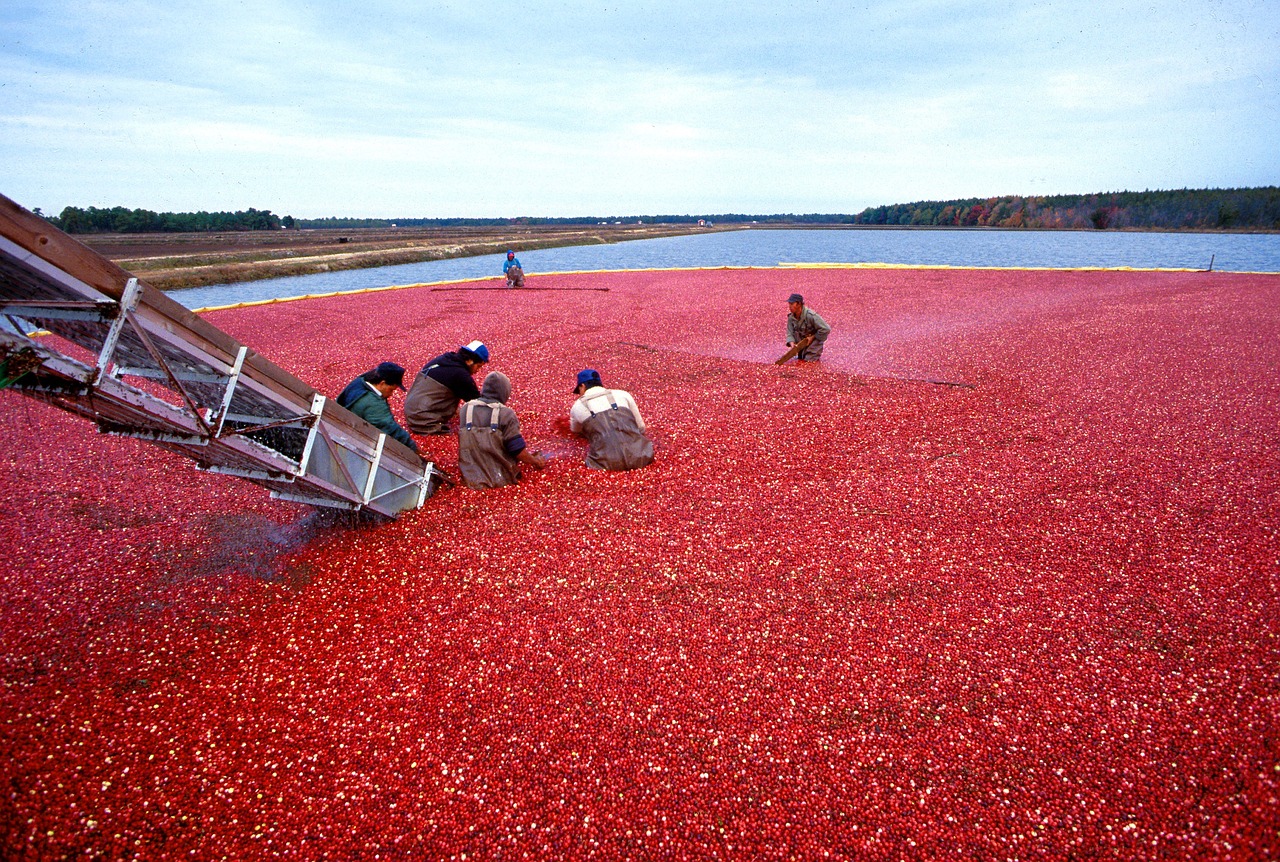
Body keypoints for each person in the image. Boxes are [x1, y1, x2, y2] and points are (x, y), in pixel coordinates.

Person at [457, 371, 546, 488]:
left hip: (470, 477)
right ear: (504, 392)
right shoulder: (506, 414)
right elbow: (517, 450)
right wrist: (535, 461)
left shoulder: (466, 409)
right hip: (499, 478)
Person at [569, 368, 654, 471]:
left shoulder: (577, 406)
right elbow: (641, 427)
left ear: (582, 386)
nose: (580, 394)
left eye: (579, 391)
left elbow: (575, 430)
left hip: (604, 462)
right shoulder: (623, 395)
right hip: (641, 456)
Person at [404, 340, 489, 435]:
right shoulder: (460, 375)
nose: (478, 370)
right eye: (478, 366)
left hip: (410, 411)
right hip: (423, 422)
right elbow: (477, 401)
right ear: (469, 360)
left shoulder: (445, 359)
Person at [335, 361, 419, 453]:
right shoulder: (372, 403)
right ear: (382, 383)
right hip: (355, 441)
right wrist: (413, 449)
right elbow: (389, 428)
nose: (391, 394)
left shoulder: (360, 382)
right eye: (391, 389)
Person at [785, 293, 831, 362]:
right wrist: (792, 344)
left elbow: (826, 329)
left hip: (813, 347)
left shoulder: (811, 316)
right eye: (789, 304)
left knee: (808, 363)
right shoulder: (791, 318)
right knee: (801, 362)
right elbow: (790, 332)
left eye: (792, 304)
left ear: (798, 304)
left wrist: (813, 337)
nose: (789, 306)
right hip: (801, 346)